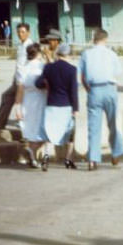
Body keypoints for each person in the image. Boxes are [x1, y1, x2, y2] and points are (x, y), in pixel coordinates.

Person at [79, 29, 123, 171]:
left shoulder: (86, 54)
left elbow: (82, 76)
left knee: (94, 127)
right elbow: (118, 73)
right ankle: (116, 153)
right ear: (106, 39)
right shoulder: (112, 54)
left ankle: (93, 159)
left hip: (94, 90)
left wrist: (89, 89)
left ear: (94, 39)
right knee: (113, 124)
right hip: (109, 88)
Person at [36, 42, 78, 170]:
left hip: (51, 104)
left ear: (58, 54)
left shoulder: (49, 67)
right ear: (68, 55)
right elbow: (73, 91)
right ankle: (68, 159)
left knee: (50, 132)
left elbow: (38, 83)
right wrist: (75, 108)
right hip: (66, 106)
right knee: (69, 133)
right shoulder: (72, 70)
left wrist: (47, 85)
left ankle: (46, 157)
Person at [0, 22, 34, 129]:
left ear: (28, 33)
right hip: (17, 78)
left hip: (24, 80)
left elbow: (31, 64)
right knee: (7, 97)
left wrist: (23, 81)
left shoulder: (30, 46)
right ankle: (0, 123)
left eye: (23, 32)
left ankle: (23, 127)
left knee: (19, 102)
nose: (20, 34)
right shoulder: (20, 45)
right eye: (18, 32)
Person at [14, 43, 47, 168]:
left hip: (27, 101)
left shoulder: (23, 68)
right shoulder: (42, 66)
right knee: (43, 131)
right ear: (38, 53)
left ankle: (33, 158)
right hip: (41, 99)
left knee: (31, 130)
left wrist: (17, 107)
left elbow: (20, 89)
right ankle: (33, 153)